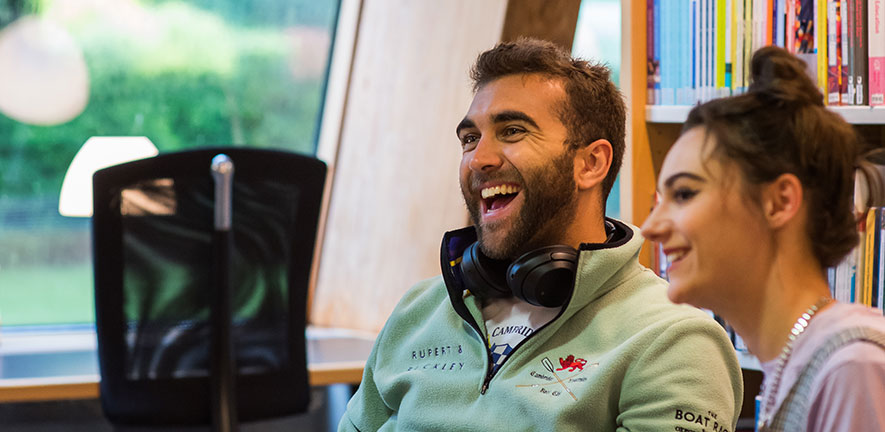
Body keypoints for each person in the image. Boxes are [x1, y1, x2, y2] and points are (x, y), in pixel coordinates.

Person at [339, 38, 743, 431]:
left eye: (512, 131)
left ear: (590, 163)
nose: (479, 159)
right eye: (469, 138)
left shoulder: (675, 340)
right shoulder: (418, 311)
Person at [641, 45, 885, 432]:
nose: (650, 227)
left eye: (684, 194)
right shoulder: (797, 362)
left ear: (779, 202)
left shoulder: (850, 368)